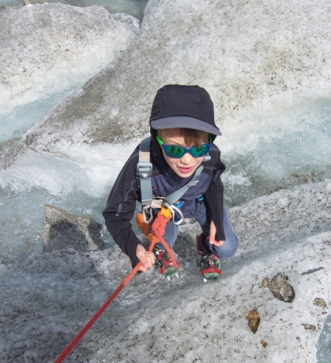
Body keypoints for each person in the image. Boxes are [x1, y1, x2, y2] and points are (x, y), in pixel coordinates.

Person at [102, 84, 238, 280]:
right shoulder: (140, 165)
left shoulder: (212, 155)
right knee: (165, 238)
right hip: (161, 210)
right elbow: (115, 215)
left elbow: (214, 183)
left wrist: (216, 219)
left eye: (199, 149)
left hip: (199, 203)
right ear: (157, 140)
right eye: (175, 150)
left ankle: (205, 246)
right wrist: (134, 249)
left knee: (227, 248)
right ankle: (160, 248)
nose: (187, 160)